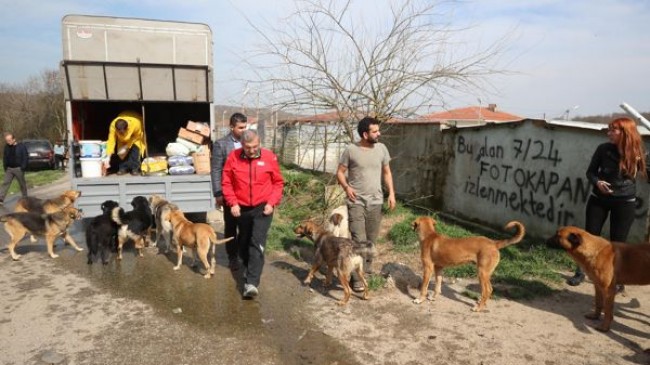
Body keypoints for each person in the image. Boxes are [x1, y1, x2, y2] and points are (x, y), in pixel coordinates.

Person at [567, 117, 647, 287]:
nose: (609, 133)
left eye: (613, 130)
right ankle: (580, 272)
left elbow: (646, 174)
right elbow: (590, 172)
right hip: (599, 200)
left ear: (625, 132)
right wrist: (598, 182)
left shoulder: (637, 152)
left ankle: (617, 279)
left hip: (625, 202)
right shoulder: (603, 149)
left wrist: (639, 163)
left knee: (619, 242)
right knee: (587, 237)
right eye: (608, 130)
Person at [222, 129, 284, 299]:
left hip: (263, 207)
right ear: (242, 145)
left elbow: (278, 183)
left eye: (255, 146)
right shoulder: (233, 157)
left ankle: (251, 283)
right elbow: (226, 183)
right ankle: (247, 266)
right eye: (248, 147)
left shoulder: (269, 157)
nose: (252, 150)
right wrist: (232, 202)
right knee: (243, 242)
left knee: (257, 243)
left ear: (260, 143)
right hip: (241, 208)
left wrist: (272, 203)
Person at [336, 116, 396, 290]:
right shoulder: (350, 150)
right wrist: (347, 188)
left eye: (378, 130)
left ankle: (367, 272)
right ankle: (355, 277)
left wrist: (391, 193)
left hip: (376, 202)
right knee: (358, 240)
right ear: (364, 134)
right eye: (375, 131)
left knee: (371, 241)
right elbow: (340, 173)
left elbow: (387, 173)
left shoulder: (382, 149)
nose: (379, 133)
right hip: (356, 202)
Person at [211, 113, 248, 271]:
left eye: (245, 127)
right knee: (231, 226)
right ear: (231, 127)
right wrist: (218, 193)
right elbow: (216, 170)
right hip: (229, 192)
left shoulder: (249, 142)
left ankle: (242, 252)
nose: (244, 130)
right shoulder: (221, 144)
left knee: (246, 226)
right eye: (240, 128)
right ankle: (232, 257)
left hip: (246, 193)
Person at [103, 111, 146, 176]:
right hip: (122, 140)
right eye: (120, 133)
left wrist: (127, 146)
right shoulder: (113, 126)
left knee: (135, 151)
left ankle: (135, 168)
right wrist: (108, 156)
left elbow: (138, 136)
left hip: (135, 136)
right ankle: (123, 168)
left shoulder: (136, 124)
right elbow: (111, 141)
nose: (122, 133)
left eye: (123, 132)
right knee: (121, 153)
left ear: (127, 128)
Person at [0, 132, 29, 206]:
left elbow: (25, 156)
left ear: (14, 139)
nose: (8, 142)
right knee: (5, 183)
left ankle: (25, 198)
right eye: (7, 141)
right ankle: (1, 198)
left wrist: (23, 167)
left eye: (9, 140)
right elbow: (5, 157)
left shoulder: (21, 146)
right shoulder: (6, 147)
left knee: (22, 184)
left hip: (18, 168)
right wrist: (5, 167)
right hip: (9, 169)